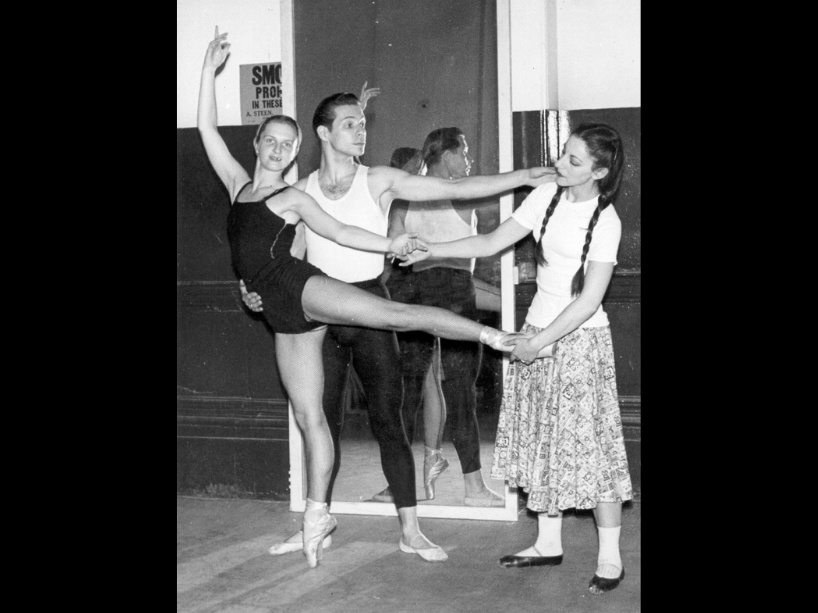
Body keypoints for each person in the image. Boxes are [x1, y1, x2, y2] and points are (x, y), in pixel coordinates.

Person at [198, 29, 525, 569]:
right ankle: (316, 519)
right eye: (270, 141)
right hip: (280, 314)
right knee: (310, 419)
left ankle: (491, 334)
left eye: (288, 143)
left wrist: (390, 242)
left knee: (395, 317)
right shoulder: (237, 185)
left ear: (300, 147)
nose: (279, 149)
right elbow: (207, 127)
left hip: (304, 288)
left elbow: (342, 233)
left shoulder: (293, 196)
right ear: (255, 145)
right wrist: (208, 70)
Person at [400, 123, 633, 593]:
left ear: (601, 171)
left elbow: (588, 301)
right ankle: (548, 542)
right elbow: (489, 243)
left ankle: (610, 556)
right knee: (541, 440)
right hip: (537, 333)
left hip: (578, 341)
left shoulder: (605, 221)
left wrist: (540, 340)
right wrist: (431, 250)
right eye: (563, 154)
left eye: (574, 161)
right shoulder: (545, 196)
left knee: (593, 448)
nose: (561, 165)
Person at [375, 134, 508, 507]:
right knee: (413, 388)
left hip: (440, 291)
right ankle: (408, 485)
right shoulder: (413, 196)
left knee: (455, 389)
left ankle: (469, 488)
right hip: (428, 292)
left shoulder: (431, 195)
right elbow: (392, 242)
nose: (467, 158)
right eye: (463, 151)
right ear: (446, 154)